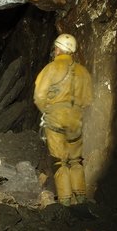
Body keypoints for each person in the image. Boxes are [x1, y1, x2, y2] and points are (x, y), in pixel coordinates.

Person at [33, 33, 93, 206]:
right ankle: (81, 197)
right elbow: (88, 99)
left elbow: (39, 96)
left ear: (58, 49)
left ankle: (66, 201)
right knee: (75, 160)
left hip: (55, 121)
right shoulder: (82, 71)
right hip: (75, 121)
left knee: (60, 161)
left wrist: (49, 110)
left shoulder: (51, 68)